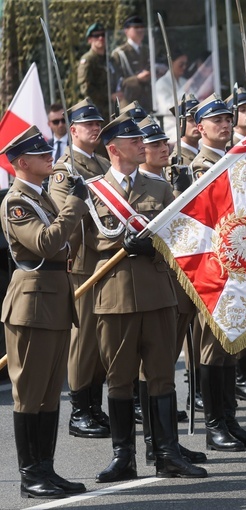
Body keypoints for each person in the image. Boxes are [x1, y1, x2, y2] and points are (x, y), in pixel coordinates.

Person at [92, 113, 206, 482]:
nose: (143, 144)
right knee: (120, 379)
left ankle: (167, 454)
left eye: (143, 140)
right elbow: (81, 246)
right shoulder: (94, 191)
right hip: (116, 297)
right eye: (134, 141)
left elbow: (183, 236)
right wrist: (114, 243)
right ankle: (123, 456)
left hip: (159, 295)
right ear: (114, 149)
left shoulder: (158, 188)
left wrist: (154, 244)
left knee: (161, 377)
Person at [0, 126, 90, 499]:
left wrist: (69, 204)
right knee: (30, 392)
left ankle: (46, 469)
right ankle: (29, 475)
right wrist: (74, 204)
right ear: (22, 162)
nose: (47, 158)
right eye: (39, 155)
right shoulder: (16, 202)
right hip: (32, 304)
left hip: (53, 300)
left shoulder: (41, 196)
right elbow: (46, 243)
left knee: (51, 392)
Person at [188, 94, 246, 451]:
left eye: (227, 119)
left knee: (230, 347)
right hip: (212, 270)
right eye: (215, 120)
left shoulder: (233, 160)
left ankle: (230, 420)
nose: (224, 124)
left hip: (236, 265)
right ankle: (214, 425)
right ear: (198, 127)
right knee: (212, 347)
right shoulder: (197, 166)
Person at [48, 99, 110, 440]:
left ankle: (94, 404)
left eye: (98, 122)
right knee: (84, 338)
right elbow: (64, 218)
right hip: (83, 261)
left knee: (101, 339)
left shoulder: (101, 161)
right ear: (73, 131)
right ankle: (79, 410)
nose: (95, 128)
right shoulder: (65, 169)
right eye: (88, 124)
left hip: (107, 260)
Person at [111, 15, 152, 109]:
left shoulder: (147, 50)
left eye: (142, 27)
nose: (140, 30)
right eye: (136, 27)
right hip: (128, 102)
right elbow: (117, 83)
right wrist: (137, 79)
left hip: (147, 101)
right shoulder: (120, 53)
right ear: (126, 31)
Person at [77, 23, 111, 119]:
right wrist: (109, 96)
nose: (101, 38)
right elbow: (86, 89)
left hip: (111, 108)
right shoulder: (88, 60)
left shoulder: (109, 58)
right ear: (89, 40)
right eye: (96, 36)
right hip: (96, 110)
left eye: (103, 35)